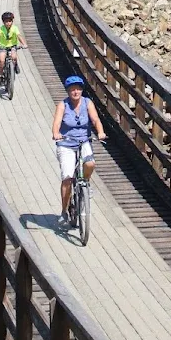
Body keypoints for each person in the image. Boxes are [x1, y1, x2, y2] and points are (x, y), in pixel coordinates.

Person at [51, 74, 106, 227]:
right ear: (68, 91)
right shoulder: (63, 105)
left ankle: (86, 183)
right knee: (67, 178)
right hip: (66, 142)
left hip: (84, 140)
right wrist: (56, 133)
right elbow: (56, 123)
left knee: (90, 164)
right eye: (72, 89)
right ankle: (64, 211)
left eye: (78, 89)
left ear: (82, 90)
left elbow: (95, 119)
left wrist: (100, 132)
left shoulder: (87, 103)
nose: (75, 92)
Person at [0, 11, 27, 82]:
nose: (8, 23)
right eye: (6, 21)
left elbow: (19, 36)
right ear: (3, 22)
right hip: (3, 46)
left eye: (10, 21)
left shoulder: (15, 28)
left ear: (12, 21)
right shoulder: (0, 29)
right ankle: (1, 76)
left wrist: (24, 44)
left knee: (14, 57)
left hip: (12, 46)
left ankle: (15, 65)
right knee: (2, 60)